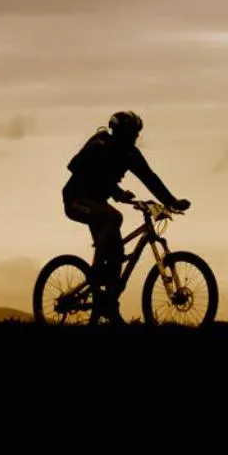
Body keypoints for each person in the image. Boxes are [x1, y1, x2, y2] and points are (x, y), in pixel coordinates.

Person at [61, 111, 190, 324]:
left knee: (117, 253)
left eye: (136, 134)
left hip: (98, 205)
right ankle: (94, 276)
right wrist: (114, 190)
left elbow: (150, 178)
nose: (135, 138)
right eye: (131, 133)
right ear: (118, 132)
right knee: (113, 217)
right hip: (76, 199)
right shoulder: (100, 143)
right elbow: (76, 167)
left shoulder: (131, 154)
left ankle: (109, 304)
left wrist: (171, 201)